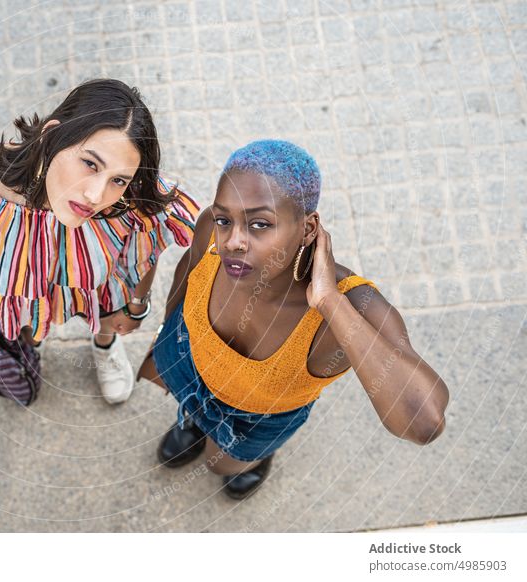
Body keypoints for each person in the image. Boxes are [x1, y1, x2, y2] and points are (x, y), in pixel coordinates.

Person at [146, 140, 449, 500]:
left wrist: (329, 302)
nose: (233, 241)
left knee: (220, 463)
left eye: (260, 224)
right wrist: (168, 331)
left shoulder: (356, 304)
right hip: (190, 365)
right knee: (191, 414)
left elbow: (422, 422)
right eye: (226, 219)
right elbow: (188, 272)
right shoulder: (213, 227)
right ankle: (196, 422)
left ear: (308, 229)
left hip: (254, 417)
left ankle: (255, 459)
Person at [0, 79, 200, 404]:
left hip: (97, 287)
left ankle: (104, 345)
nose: (95, 195)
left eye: (118, 179)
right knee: (24, 315)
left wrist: (136, 306)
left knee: (106, 307)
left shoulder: (125, 201)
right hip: (27, 293)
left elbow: (144, 248)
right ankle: (33, 337)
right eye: (90, 163)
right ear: (51, 134)